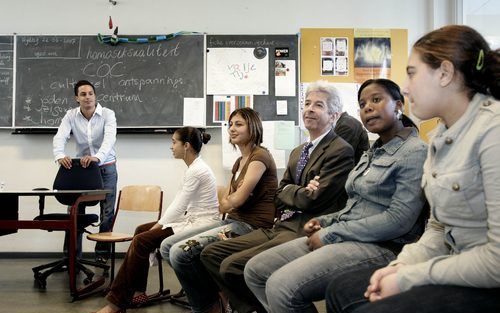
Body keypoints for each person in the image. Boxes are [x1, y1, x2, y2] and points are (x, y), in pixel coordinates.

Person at [325, 25, 500, 313]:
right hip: (456, 264)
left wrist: (410, 277)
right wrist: (401, 265)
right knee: (341, 289)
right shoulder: (441, 136)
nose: (405, 87)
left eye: (411, 72)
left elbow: (496, 262)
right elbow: (438, 227)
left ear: (444, 73)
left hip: (487, 278)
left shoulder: (492, 131)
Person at [243, 78, 427, 313]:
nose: (367, 107)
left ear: (399, 106)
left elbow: (399, 220)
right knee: (256, 270)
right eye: (362, 104)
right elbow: (355, 206)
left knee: (281, 287)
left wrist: (331, 232)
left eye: (376, 99)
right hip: (347, 234)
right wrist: (324, 221)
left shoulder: (414, 152)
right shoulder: (373, 152)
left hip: (382, 245)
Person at [200, 81, 356, 313]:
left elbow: (314, 200)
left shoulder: (340, 150)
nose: (309, 109)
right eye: (306, 103)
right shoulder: (298, 151)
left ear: (333, 115)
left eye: (319, 105)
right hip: (281, 224)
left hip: (306, 228)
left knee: (233, 266)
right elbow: (279, 193)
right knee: (211, 254)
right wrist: (299, 190)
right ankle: (258, 308)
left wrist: (293, 191)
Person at [159, 108, 278, 313]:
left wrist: (231, 200)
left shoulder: (260, 157)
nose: (232, 129)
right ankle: (215, 300)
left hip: (253, 227)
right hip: (231, 221)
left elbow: (236, 199)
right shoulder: (239, 161)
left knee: (180, 253)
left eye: (238, 124)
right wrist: (231, 200)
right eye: (230, 124)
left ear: (254, 127)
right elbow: (224, 203)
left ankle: (206, 307)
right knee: (167, 246)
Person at [92, 127, 219, 313]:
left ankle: (116, 304)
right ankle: (138, 291)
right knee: (141, 230)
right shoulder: (193, 168)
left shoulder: (197, 170)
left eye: (174, 142)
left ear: (187, 146)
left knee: (143, 239)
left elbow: (179, 206)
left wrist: (158, 227)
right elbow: (179, 204)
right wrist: (156, 226)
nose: (171, 147)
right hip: (190, 219)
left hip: (201, 225)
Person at [53, 79, 117, 262]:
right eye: (83, 94)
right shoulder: (70, 116)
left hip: (106, 167)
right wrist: (59, 155)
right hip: (82, 170)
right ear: (76, 98)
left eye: (90, 93)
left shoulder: (107, 114)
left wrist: (98, 157)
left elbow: (110, 138)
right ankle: (71, 256)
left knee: (107, 213)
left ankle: (102, 256)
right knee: (74, 211)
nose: (87, 97)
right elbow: (60, 137)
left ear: (95, 96)